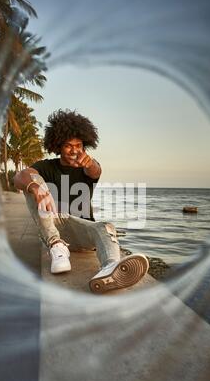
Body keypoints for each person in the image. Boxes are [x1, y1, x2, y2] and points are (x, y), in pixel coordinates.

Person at [14, 109, 149, 293]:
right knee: (31, 180)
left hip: (83, 236)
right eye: (69, 145)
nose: (74, 150)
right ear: (59, 145)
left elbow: (96, 171)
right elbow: (20, 176)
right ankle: (57, 247)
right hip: (55, 227)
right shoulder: (47, 166)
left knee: (106, 227)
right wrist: (36, 188)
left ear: (85, 145)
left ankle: (110, 269)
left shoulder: (88, 167)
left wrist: (90, 164)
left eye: (79, 145)